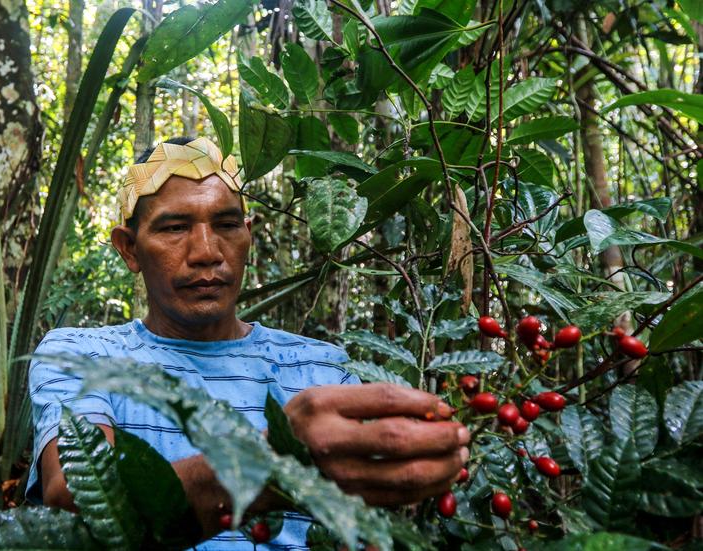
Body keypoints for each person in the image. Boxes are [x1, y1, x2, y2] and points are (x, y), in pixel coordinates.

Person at [26, 136, 469, 549]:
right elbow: (81, 498)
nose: (206, 252)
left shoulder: (320, 369)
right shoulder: (82, 357)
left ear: (248, 235)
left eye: (226, 224)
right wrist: (273, 458)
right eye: (175, 228)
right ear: (128, 249)